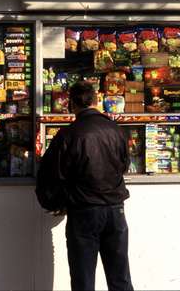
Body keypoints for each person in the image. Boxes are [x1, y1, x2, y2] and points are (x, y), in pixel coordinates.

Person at [36, 81, 133, 291]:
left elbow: (51, 174)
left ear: (71, 104)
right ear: (96, 101)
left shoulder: (68, 135)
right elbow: (124, 165)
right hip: (115, 210)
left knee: (83, 279)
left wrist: (55, 202)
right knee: (120, 278)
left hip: (84, 211)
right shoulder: (116, 130)